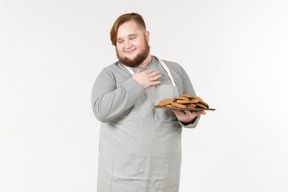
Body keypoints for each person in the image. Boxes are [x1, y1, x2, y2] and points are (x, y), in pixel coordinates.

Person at [91, 12, 206, 192]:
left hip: (163, 178)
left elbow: (192, 109)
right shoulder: (109, 75)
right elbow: (101, 111)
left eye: (132, 37)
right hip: (121, 180)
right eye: (120, 41)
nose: (127, 45)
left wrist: (188, 119)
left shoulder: (174, 71)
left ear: (146, 36)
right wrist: (135, 84)